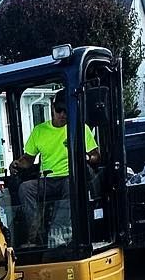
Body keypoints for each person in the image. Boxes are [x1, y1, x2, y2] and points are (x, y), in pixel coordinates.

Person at [12, 93, 94, 242]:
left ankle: (58, 233)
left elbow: (96, 155)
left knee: (72, 185)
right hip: (47, 180)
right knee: (25, 188)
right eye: (59, 110)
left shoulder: (80, 128)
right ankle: (35, 233)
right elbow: (28, 160)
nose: (62, 114)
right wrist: (18, 163)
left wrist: (87, 157)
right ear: (52, 108)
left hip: (70, 176)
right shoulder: (39, 131)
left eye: (66, 111)